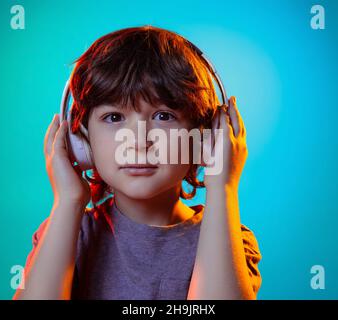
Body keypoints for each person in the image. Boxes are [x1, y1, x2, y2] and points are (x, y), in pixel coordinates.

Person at [13, 25, 262, 300]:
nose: (139, 141)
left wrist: (222, 186)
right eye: (114, 118)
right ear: (81, 142)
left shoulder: (229, 238)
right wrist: (68, 201)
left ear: (203, 138)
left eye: (164, 116)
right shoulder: (67, 232)